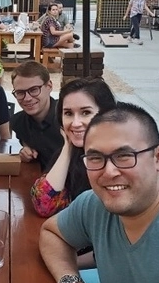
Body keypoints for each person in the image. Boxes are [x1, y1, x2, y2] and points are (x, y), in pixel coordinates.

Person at [39, 102, 159, 283]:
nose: (109, 172)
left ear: (158, 157)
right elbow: (51, 233)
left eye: (124, 155)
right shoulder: (94, 204)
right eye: (95, 158)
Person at [31, 77, 116, 218]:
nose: (75, 123)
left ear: (106, 114)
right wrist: (67, 148)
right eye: (68, 114)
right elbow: (44, 205)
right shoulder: (73, 153)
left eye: (86, 112)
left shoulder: (118, 159)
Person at [10, 61, 64, 171]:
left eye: (34, 90)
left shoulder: (67, 117)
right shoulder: (18, 122)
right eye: (20, 92)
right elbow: (26, 143)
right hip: (41, 182)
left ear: (49, 86)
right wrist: (25, 150)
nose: (27, 98)